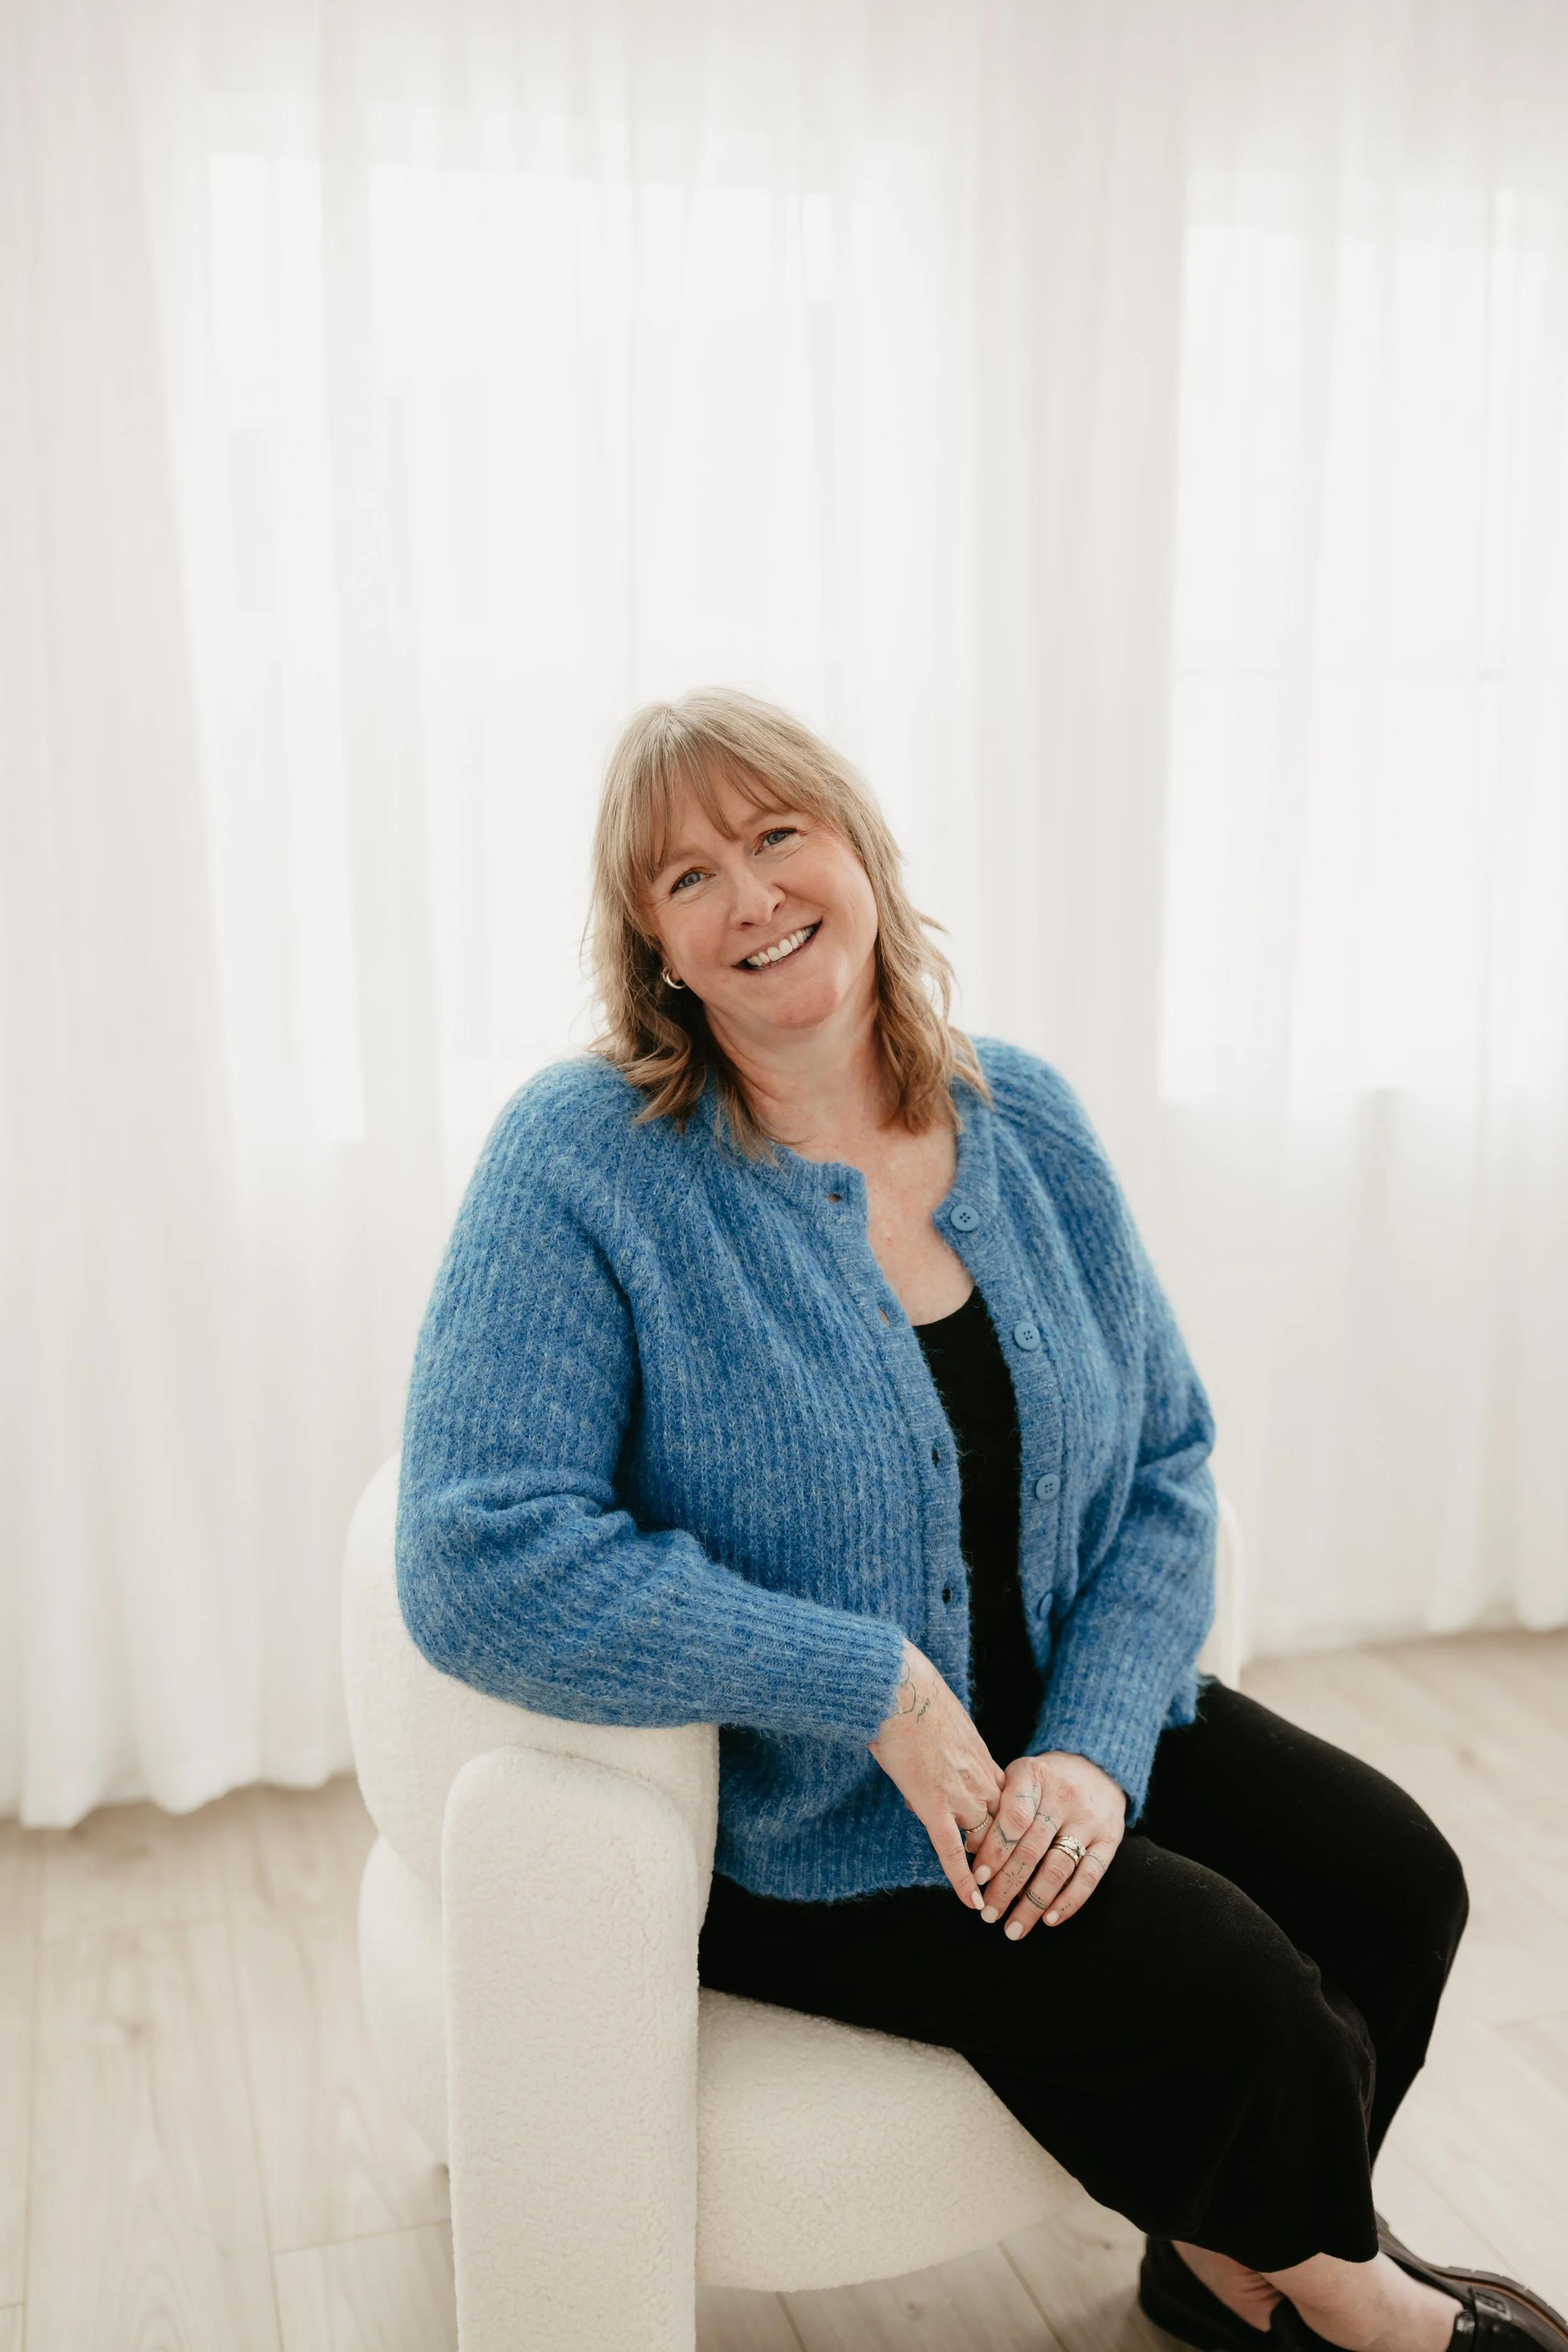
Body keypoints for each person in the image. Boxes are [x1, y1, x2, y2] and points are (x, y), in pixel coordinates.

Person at [395, 689, 1565, 2352]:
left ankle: (1221, 2260)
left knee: (1392, 1882)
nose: (750, 895)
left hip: (1060, 1713)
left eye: (777, 833)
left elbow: (1166, 1461)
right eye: (686, 877)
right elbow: (473, 1550)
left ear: (860, 854)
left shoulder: (1022, 1115)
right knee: (1228, 1980)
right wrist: (873, 1684)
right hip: (814, 1815)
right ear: (649, 948)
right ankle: (1361, 2302)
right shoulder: (584, 1161)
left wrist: (1090, 1747)